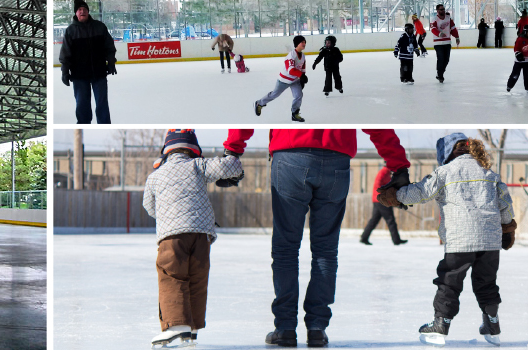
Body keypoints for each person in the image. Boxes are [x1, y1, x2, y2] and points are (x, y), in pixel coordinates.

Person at [224, 129, 410, 348]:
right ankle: (317, 329)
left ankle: (285, 328)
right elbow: (376, 122)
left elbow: (260, 101)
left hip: (290, 154)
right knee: (326, 250)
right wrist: (398, 164)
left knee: (285, 248)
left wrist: (233, 150)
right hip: (336, 161)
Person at [377, 133, 515, 347]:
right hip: (490, 241)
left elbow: (421, 192)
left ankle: (441, 324)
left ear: (446, 152)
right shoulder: (489, 173)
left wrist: (397, 196)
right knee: (487, 283)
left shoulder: (445, 172)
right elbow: (505, 201)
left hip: (460, 240)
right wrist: (507, 228)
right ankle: (492, 324)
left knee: (449, 283)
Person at [143, 129, 245, 349]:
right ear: (193, 150)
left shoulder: (155, 176)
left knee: (172, 275)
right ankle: (192, 328)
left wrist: (167, 215)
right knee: (197, 278)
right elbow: (233, 165)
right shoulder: (198, 165)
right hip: (201, 234)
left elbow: (149, 206)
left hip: (171, 236)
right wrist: (231, 156)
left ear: (166, 151)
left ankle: (176, 326)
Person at [58, 0, 117, 124]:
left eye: (84, 9)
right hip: (79, 75)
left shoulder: (99, 27)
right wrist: (65, 71)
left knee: (102, 104)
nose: (82, 11)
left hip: (99, 73)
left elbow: (109, 47)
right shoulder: (70, 31)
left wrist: (111, 62)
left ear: (88, 11)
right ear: (76, 13)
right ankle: (83, 124)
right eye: (79, 9)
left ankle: (104, 124)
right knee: (82, 105)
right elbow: (65, 53)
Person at [254, 36, 308, 123]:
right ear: (297, 44)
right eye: (302, 42)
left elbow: (302, 67)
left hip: (295, 80)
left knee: (298, 95)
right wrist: (301, 75)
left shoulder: (303, 56)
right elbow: (290, 70)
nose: (304, 44)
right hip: (283, 80)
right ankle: (259, 103)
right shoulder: (291, 55)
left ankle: (295, 113)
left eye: (305, 42)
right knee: (274, 94)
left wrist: (302, 77)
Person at [360, 165, 408, 245]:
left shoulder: (387, 173)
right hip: (381, 200)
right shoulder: (383, 172)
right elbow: (378, 185)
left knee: (374, 220)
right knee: (390, 220)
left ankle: (364, 237)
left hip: (378, 200)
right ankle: (396, 240)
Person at [430, 4, 460, 83]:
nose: (443, 11)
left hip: (447, 42)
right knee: (441, 58)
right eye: (441, 9)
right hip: (438, 43)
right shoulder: (434, 19)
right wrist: (439, 34)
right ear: (437, 11)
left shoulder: (448, 18)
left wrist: (457, 37)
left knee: (446, 60)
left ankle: (440, 73)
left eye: (443, 9)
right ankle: (440, 75)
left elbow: (453, 28)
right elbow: (433, 29)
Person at [507, 25, 528, 94]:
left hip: (527, 61)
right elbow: (516, 48)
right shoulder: (520, 39)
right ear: (525, 32)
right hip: (519, 61)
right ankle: (509, 86)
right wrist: (518, 54)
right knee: (515, 75)